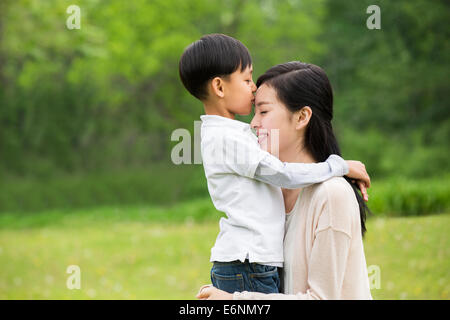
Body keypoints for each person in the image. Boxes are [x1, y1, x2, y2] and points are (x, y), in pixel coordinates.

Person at [179, 34, 370, 295]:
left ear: (302, 116)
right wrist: (340, 165)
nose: (254, 124)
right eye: (246, 81)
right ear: (219, 88)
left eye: (264, 111)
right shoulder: (262, 174)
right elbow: (284, 175)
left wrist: (235, 300)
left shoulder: (331, 195)